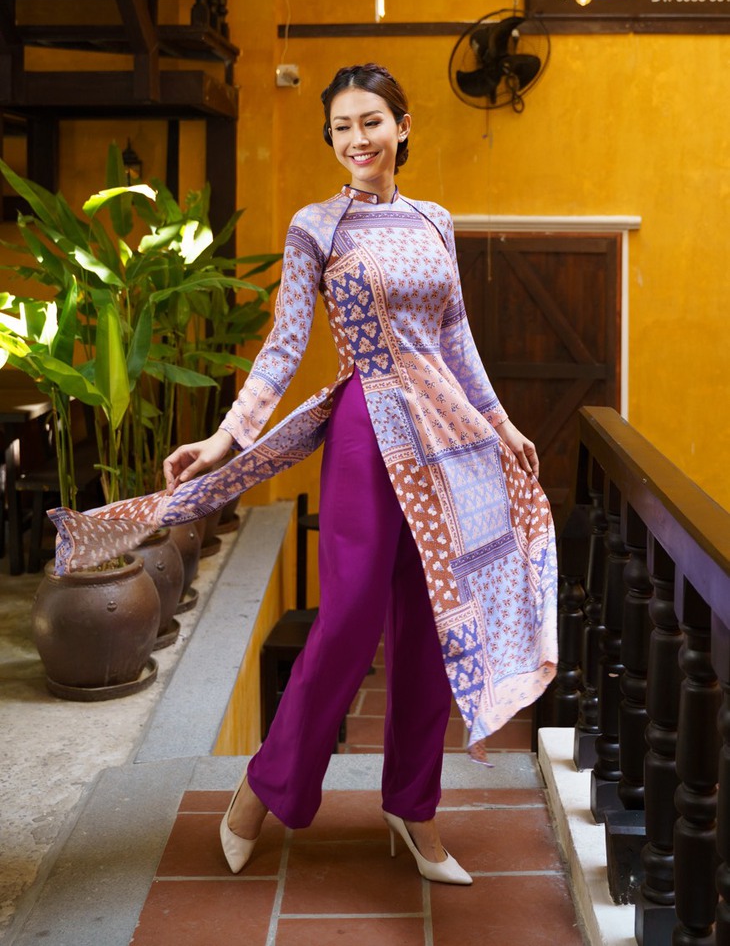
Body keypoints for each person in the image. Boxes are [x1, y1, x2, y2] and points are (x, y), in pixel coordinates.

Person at [49, 63, 557, 886]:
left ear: (402, 126)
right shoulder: (316, 226)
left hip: (448, 440)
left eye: (371, 121)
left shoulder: (435, 221)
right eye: (342, 126)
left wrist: (501, 423)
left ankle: (414, 806)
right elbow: (284, 347)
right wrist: (226, 437)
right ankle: (264, 785)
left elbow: (456, 337)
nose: (356, 139)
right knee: (349, 619)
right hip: (367, 431)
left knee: (434, 619)